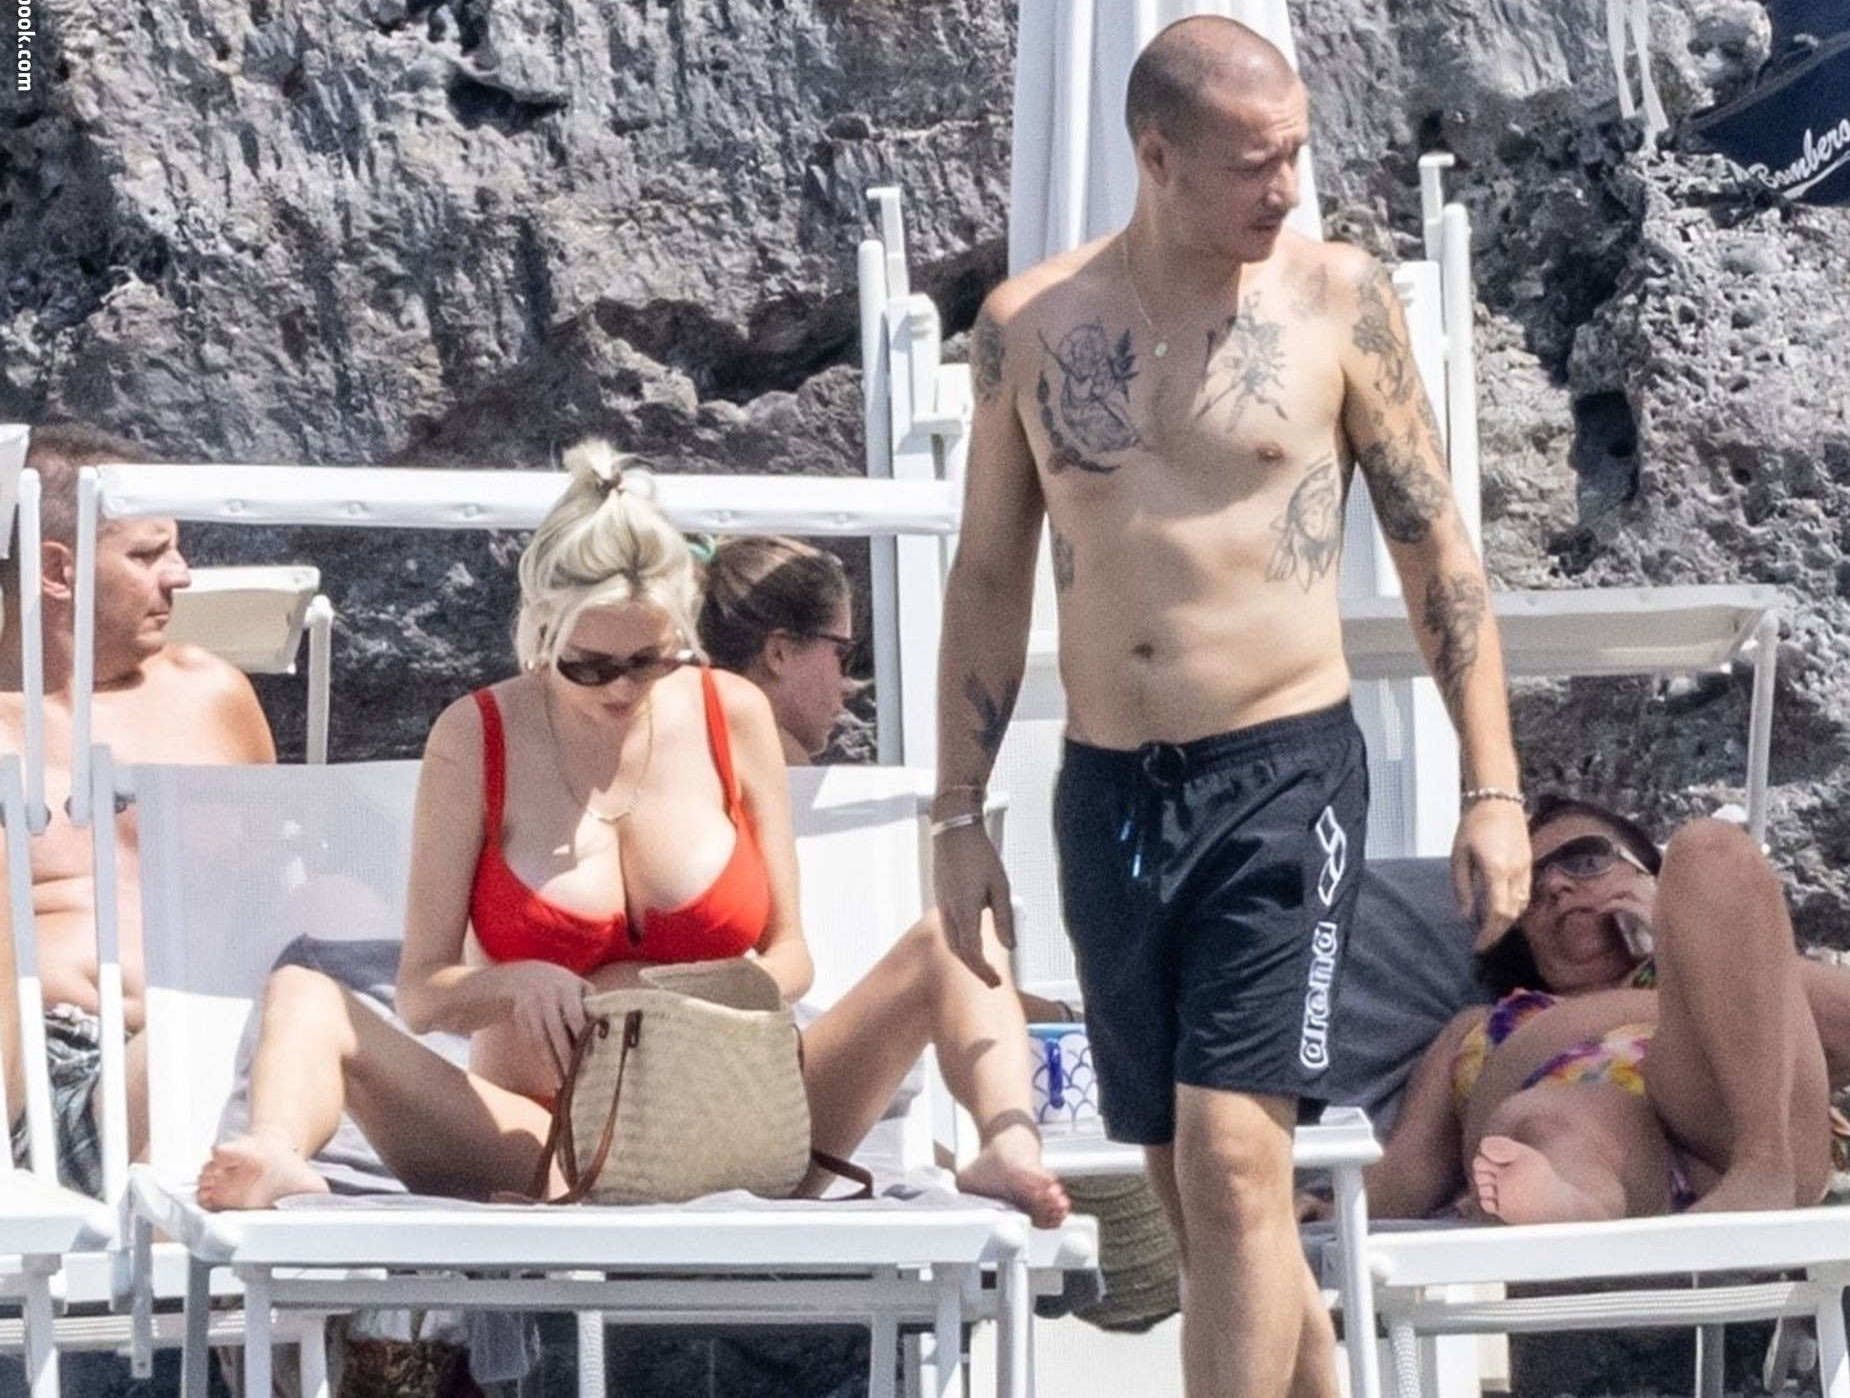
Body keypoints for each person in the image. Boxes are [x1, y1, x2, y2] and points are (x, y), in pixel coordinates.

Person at [931, 16, 1533, 1398]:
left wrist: (1492, 783)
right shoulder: (1031, 328)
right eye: (1256, 161)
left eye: (1296, 153)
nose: (1287, 185)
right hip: (1112, 792)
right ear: (1159, 156)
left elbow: (1437, 545)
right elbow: (987, 573)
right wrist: (953, 814)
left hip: (1283, 771)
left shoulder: (1337, 299)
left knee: (1236, 1150)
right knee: (1188, 1175)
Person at [195, 443, 1062, 1220]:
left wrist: (717, 1002)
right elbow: (423, 994)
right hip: (544, 1140)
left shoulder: (733, 715)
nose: (620, 689)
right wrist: (517, 982)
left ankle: (1009, 1147)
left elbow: (793, 953)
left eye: (649, 661)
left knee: (955, 941)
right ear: (541, 631)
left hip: (741, 1117)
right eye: (589, 666)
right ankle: (274, 1151)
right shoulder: (477, 737)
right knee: (303, 993)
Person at [697, 534, 1069, 1223]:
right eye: (843, 654)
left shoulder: (656, 783)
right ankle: (1010, 1141)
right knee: (955, 941)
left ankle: (1004, 1149)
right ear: (779, 654)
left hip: (748, 1101)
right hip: (750, 1108)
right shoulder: (815, 811)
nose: (849, 688)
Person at [1355, 796, 1850, 1227]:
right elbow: (1410, 1167)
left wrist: (1674, 932)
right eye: (1529, 887)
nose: (1556, 884)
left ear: (1649, 876)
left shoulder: (1698, 985)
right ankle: (1570, 1203)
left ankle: (1761, 1171)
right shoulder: (1478, 1026)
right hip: (1605, 1149)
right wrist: (1334, 1205)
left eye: (1586, 858)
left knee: (1712, 849)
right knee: (1547, 1121)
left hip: (1728, 1129)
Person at [1, 421, 276, 1198]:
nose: (181, 576)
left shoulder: (213, 698)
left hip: (238, 1055)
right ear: (58, 570)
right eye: (149, 555)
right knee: (199, 1035)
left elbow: (281, 901)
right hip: (56, 1086)